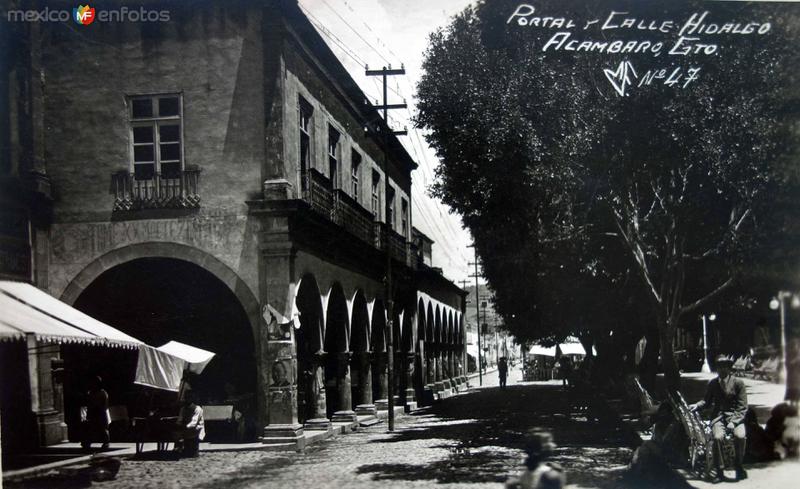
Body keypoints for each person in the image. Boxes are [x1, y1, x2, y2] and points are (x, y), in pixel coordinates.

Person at [690, 354, 749, 482]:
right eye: (719, 367)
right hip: (718, 417)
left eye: (725, 367)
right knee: (717, 437)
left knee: (740, 436)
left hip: (735, 416)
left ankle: (738, 466)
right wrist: (697, 405)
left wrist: (734, 422)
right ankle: (720, 470)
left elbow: (742, 407)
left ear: (729, 368)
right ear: (717, 368)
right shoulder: (713, 384)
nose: (722, 370)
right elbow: (706, 401)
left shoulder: (738, 383)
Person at [81, 375, 110, 451]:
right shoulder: (90, 393)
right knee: (90, 428)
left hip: (100, 412)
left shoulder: (103, 393)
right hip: (92, 412)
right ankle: (87, 442)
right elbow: (88, 402)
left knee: (103, 428)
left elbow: (105, 404)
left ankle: (106, 442)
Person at [175, 389, 205, 457]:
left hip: (196, 428)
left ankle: (191, 450)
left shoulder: (198, 409)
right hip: (186, 427)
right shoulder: (183, 409)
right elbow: (180, 419)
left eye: (189, 397)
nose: (187, 399)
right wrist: (178, 425)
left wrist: (185, 426)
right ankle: (180, 447)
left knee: (191, 430)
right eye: (186, 397)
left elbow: (194, 422)